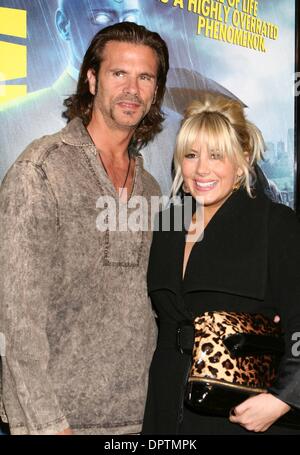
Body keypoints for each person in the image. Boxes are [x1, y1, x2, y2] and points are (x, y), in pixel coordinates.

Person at [0, 21, 166, 435]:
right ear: (92, 80)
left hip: (141, 415)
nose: (132, 88)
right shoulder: (41, 169)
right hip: (60, 421)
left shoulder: (151, 186)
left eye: (145, 77)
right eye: (118, 73)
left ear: (155, 91)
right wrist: (47, 423)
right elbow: (17, 316)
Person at [142, 92, 300, 435]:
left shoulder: (275, 224)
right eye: (191, 155)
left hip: (244, 411)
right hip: (166, 402)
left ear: (242, 160)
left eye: (217, 156)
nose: (202, 169)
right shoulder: (168, 223)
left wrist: (283, 399)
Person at [0, 0, 239, 193]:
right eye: (101, 18)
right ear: (64, 25)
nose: (132, 88)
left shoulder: (178, 131)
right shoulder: (11, 124)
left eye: (130, 19)